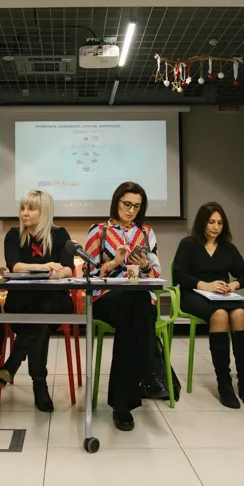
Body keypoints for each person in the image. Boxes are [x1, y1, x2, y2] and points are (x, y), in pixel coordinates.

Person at [83, 182, 161, 432]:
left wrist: (146, 266)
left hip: (137, 300)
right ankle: (150, 373)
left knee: (134, 308)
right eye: (127, 204)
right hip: (108, 298)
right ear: (116, 202)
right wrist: (114, 262)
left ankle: (122, 404)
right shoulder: (98, 231)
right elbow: (88, 274)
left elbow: (156, 273)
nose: (131, 210)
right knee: (135, 306)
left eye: (137, 206)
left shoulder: (146, 233)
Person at [173, 202, 244, 409]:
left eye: (220, 223)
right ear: (202, 222)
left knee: (239, 314)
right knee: (219, 315)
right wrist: (205, 285)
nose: (216, 227)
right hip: (193, 294)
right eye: (211, 222)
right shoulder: (188, 244)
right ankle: (224, 383)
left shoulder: (228, 247)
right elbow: (179, 275)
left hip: (222, 295)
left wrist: (233, 285)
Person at [0, 189, 74, 413]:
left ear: (44, 211)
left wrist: (56, 274)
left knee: (44, 313)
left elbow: (68, 268)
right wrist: (44, 267)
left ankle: (16, 358)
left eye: (31, 209)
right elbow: (15, 266)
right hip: (21, 300)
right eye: (22, 208)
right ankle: (39, 385)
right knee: (40, 323)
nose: (25, 213)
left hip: (54, 299)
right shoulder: (13, 235)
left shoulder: (60, 235)